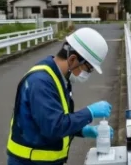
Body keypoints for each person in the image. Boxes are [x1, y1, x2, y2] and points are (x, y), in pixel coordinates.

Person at [7, 28, 114, 165]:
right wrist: (89, 112)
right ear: (73, 59)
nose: (88, 74)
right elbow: (54, 127)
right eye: (88, 69)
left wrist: (83, 130)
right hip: (30, 161)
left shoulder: (57, 77)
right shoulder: (41, 82)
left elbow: (57, 118)